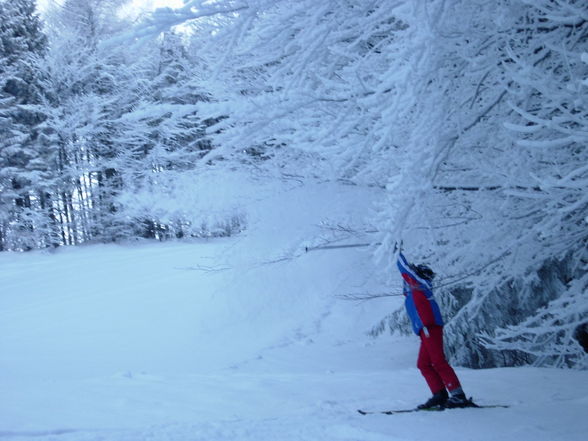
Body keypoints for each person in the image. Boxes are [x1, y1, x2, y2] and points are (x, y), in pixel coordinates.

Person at [396, 251, 472, 409]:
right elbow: (405, 281)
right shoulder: (413, 289)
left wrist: (396, 251)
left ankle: (458, 395)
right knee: (423, 364)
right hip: (424, 330)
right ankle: (440, 394)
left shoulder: (420, 284)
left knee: (438, 362)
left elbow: (404, 269)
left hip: (431, 328)